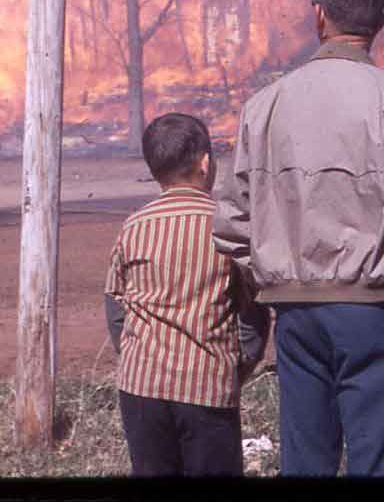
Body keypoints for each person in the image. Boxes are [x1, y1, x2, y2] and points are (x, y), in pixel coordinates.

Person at [212, 0, 384, 476]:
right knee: (376, 462)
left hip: (295, 313)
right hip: (373, 310)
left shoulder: (265, 105)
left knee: (305, 461)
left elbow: (232, 225)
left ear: (319, 16)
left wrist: (275, 265)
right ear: (379, 24)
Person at [105, 112, 269, 477]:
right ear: (206, 163)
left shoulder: (134, 226)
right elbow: (254, 309)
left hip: (140, 388)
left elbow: (115, 303)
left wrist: (131, 352)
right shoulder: (228, 227)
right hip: (208, 387)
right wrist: (241, 364)